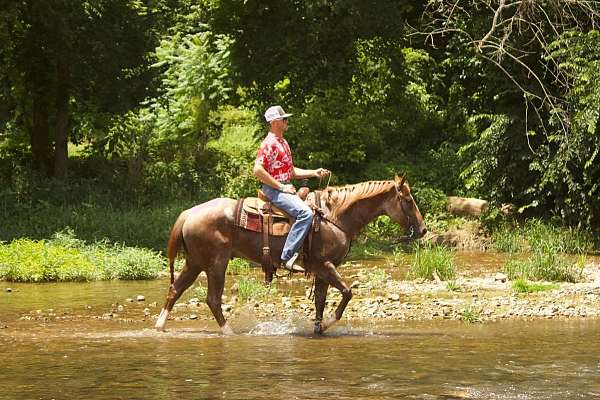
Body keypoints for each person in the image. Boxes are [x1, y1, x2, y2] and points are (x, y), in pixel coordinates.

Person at [253, 105, 330, 273]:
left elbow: (291, 171)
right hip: (274, 191)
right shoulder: (269, 144)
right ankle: (287, 256)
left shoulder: (283, 142)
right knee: (306, 213)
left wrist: (314, 172)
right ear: (274, 122)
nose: (287, 121)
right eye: (284, 119)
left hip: (284, 188)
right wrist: (281, 186)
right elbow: (257, 170)